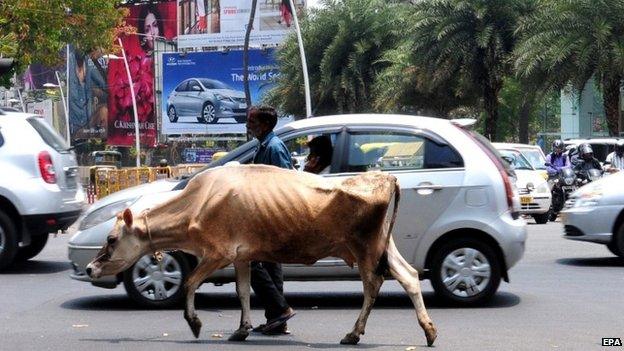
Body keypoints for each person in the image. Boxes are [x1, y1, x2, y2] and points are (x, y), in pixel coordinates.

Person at [246, 106, 296, 335]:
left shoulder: (274, 148)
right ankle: (276, 319)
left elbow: (285, 183)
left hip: (273, 215)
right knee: (271, 265)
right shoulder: (263, 145)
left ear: (265, 125)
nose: (248, 125)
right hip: (265, 214)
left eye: (252, 121)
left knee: (251, 262)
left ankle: (281, 310)